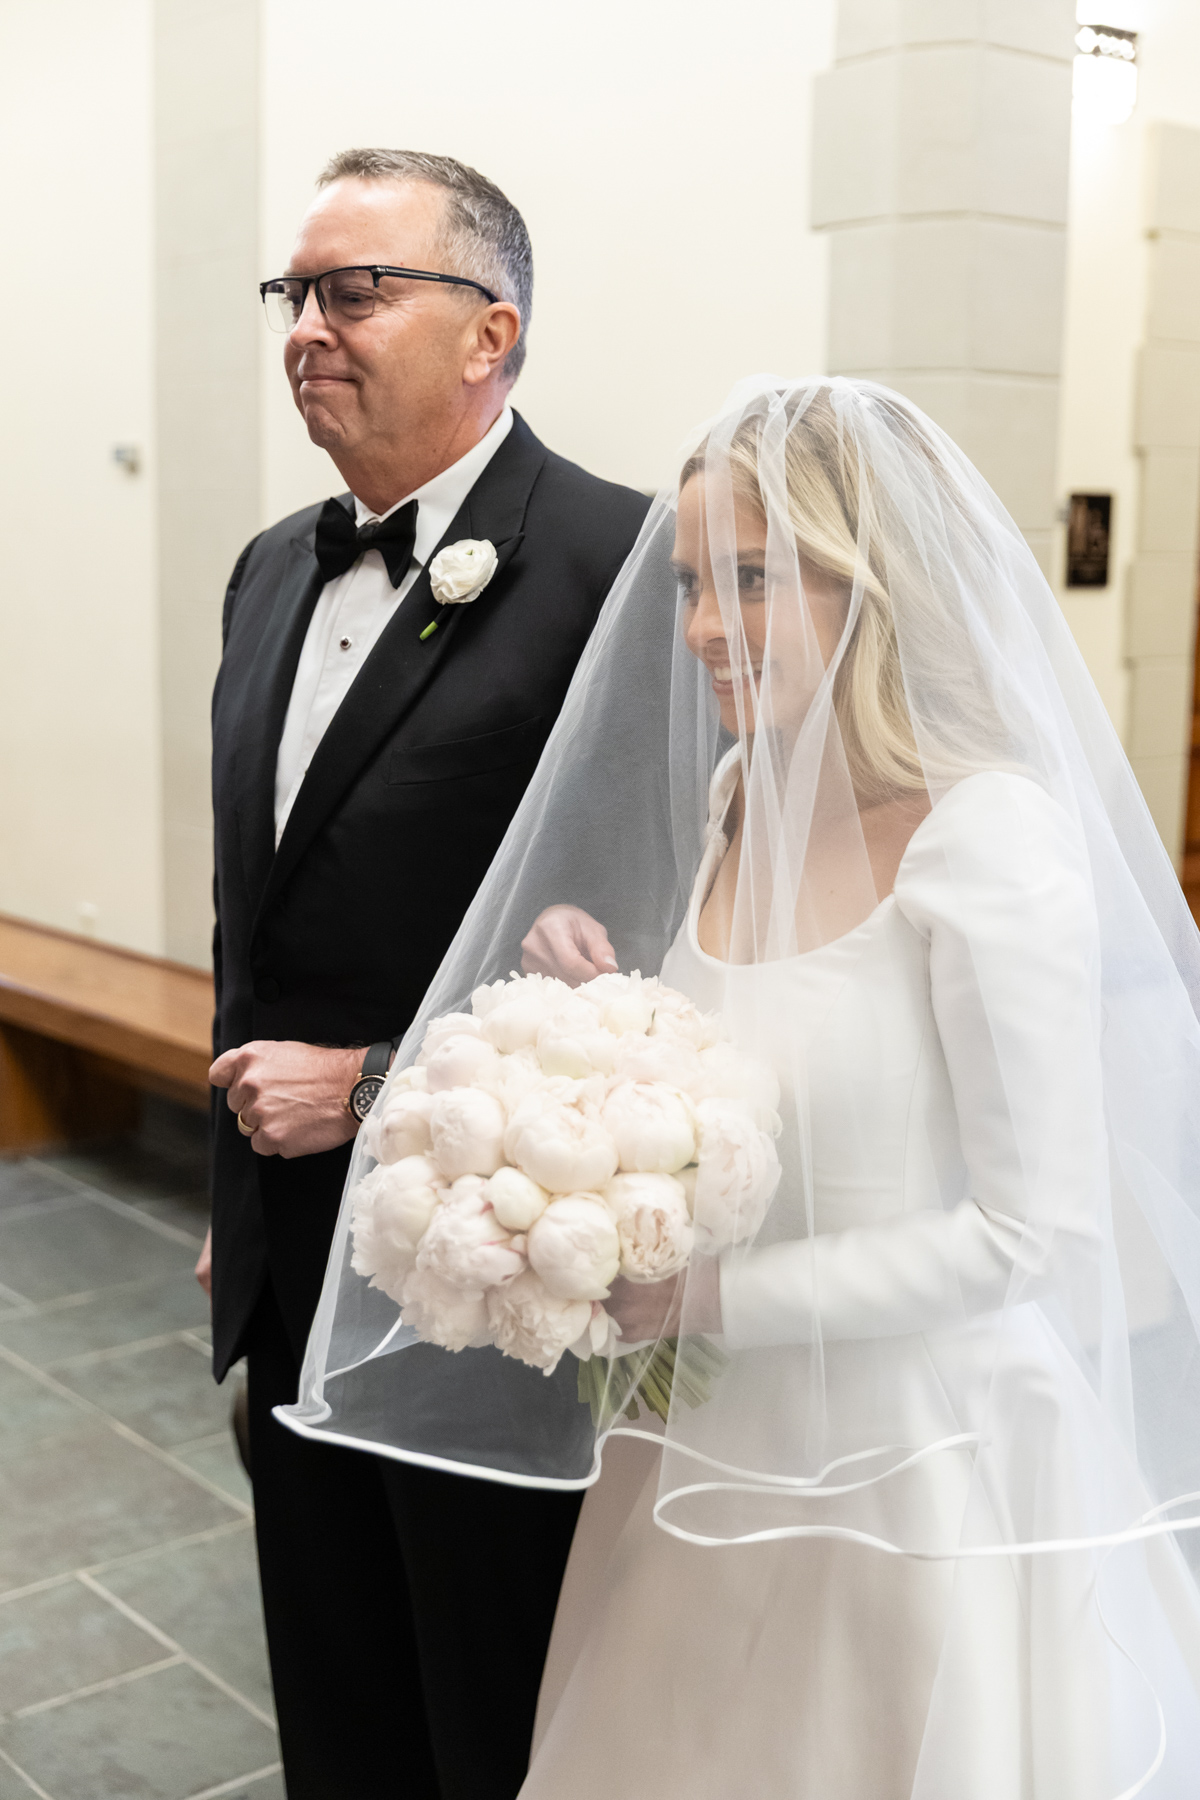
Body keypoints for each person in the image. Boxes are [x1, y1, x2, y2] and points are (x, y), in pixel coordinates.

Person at [285, 377, 1200, 1796]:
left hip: (905, 1465)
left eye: (755, 580)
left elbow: (1034, 1237)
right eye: (693, 584)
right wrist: (602, 1006)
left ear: (876, 584)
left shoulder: (987, 839)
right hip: (698, 1432)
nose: (705, 627)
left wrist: (708, 1299)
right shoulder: (740, 800)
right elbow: (749, 1073)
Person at [197, 146, 649, 1800]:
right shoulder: (270, 566)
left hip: (496, 1260)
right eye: (296, 292)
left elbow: (652, 951)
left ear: (490, 331)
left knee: (487, 1703)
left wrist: (379, 1086)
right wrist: (235, 1202)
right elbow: (259, 917)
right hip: (287, 1234)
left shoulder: (621, 564)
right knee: (336, 1694)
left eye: (358, 290)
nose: (308, 326)